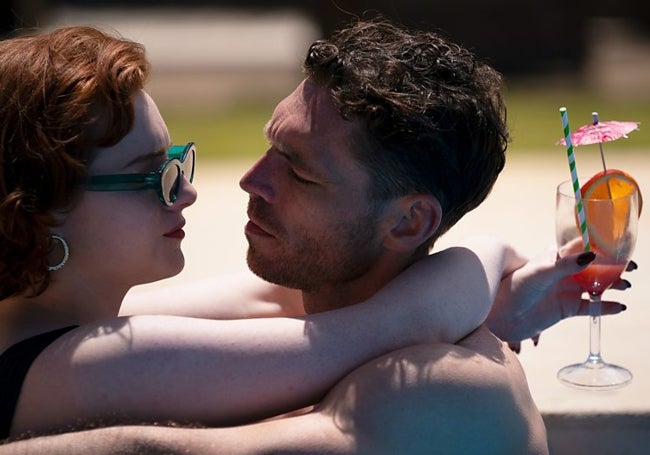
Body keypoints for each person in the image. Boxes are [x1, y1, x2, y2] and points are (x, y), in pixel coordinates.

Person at [0, 19, 634, 454]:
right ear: (40, 209)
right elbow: (378, 328)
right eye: (152, 177)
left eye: (298, 170)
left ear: (410, 222)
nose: (242, 182)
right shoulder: (93, 352)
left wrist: (489, 290)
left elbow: (304, 318)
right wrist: (487, 262)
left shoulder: (74, 321)